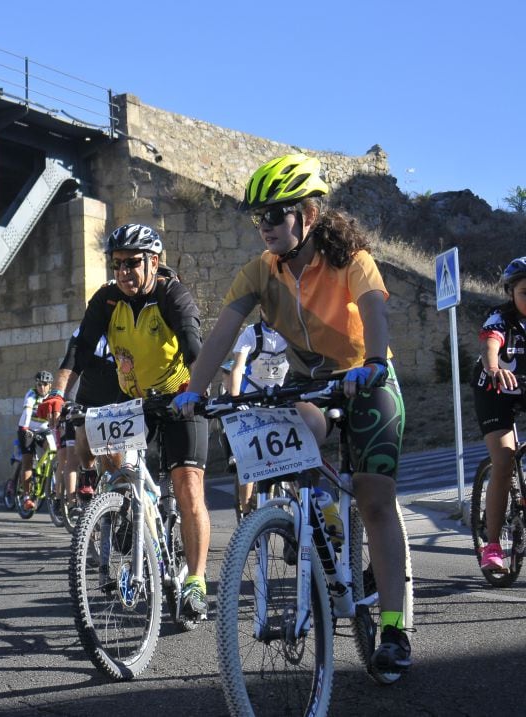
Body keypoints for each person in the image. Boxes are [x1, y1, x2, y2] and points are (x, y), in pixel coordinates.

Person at [173, 153, 411, 672]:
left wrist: (372, 362)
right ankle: (315, 519)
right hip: (312, 382)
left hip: (365, 379)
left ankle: (394, 628)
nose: (265, 227)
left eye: (275, 215)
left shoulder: (352, 259)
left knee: (374, 500)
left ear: (308, 213)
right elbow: (221, 333)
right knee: (293, 433)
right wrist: (194, 391)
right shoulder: (262, 271)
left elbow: (374, 310)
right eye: (258, 217)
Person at [43, 223, 211, 623]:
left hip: (178, 399)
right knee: (112, 463)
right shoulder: (106, 300)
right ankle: (128, 513)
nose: (124, 272)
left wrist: (196, 392)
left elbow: (192, 344)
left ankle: (197, 583)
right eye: (117, 264)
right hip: (132, 399)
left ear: (153, 262)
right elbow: (80, 350)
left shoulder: (172, 294)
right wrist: (58, 394)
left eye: (132, 264)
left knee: (188, 488)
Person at [472, 257, 526, 573]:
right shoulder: (501, 318)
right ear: (511, 293)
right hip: (495, 389)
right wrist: (493, 367)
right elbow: (491, 343)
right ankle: (492, 546)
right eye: (525, 292)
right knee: (504, 462)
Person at [46, 328, 127, 515]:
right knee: (82, 436)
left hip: (120, 397)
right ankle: (88, 472)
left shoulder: (130, 327)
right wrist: (58, 396)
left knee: (113, 457)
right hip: (88, 398)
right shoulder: (87, 330)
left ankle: (119, 509)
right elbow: (70, 362)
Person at [227, 316, 289, 514]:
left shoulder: (292, 329)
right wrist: (235, 401)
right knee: (249, 460)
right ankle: (247, 513)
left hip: (282, 395)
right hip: (252, 395)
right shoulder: (251, 333)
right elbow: (237, 368)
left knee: (294, 454)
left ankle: (299, 505)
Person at [17, 370, 55, 511]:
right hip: (27, 429)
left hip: (43, 429)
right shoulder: (31, 394)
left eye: (45, 385)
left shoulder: (52, 396)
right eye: (39, 384)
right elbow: (27, 411)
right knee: (27, 460)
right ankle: (26, 496)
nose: (42, 388)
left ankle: (46, 472)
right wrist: (26, 429)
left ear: (50, 386)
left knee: (53, 450)